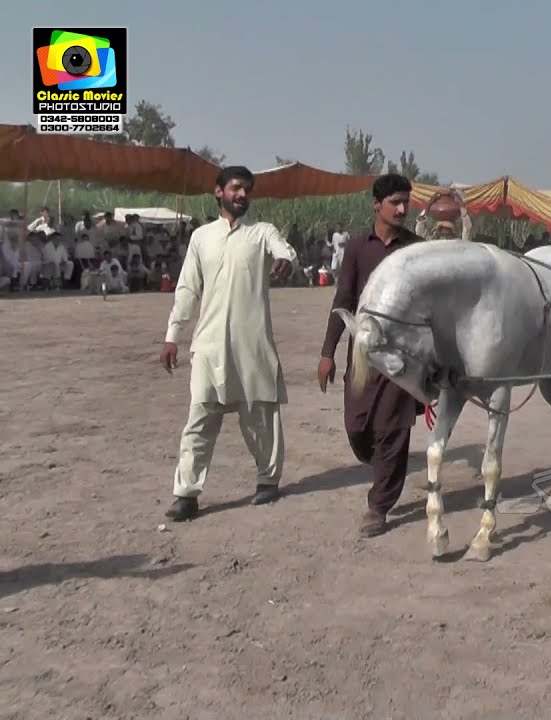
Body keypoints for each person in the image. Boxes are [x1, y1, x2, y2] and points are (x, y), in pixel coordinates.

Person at [160, 165, 297, 521]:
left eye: (247, 190)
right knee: (200, 418)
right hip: (208, 346)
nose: (242, 195)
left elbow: (284, 251)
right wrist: (173, 335)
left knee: (261, 417)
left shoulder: (261, 233)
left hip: (252, 345)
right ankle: (186, 494)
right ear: (218, 192)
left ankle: (268, 481)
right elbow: (188, 289)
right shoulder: (202, 237)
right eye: (236, 188)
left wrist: (286, 259)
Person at [319, 174, 427, 537]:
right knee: (358, 427)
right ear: (376, 204)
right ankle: (381, 462)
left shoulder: (416, 249)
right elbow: (343, 300)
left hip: (402, 357)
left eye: (406, 202)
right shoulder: (356, 248)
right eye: (395, 202)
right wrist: (327, 353)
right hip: (362, 354)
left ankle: (378, 506)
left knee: (392, 429)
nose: (401, 209)